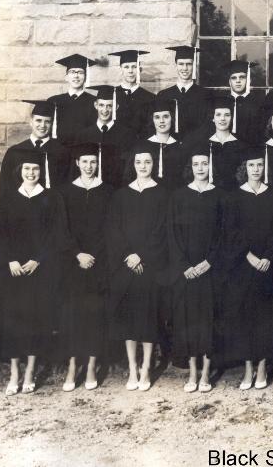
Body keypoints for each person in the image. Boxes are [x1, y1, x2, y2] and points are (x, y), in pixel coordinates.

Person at [0, 149, 68, 395]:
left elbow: (55, 236)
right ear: (19, 172)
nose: (31, 173)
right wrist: (11, 261)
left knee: (37, 319)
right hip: (13, 272)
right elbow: (2, 237)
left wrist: (38, 260)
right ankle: (14, 372)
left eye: (35, 169)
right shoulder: (8, 200)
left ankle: (30, 372)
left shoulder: (51, 198)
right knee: (14, 320)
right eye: (27, 169)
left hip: (40, 272)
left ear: (41, 171)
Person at [220, 147, 273, 389]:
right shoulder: (234, 197)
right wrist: (249, 256)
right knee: (245, 318)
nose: (256, 170)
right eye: (251, 166)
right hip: (243, 267)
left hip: (268, 266)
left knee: (265, 319)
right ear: (244, 169)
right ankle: (248, 369)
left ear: (264, 168)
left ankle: (262, 369)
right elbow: (231, 233)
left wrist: (268, 256)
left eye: (260, 165)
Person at [106, 141, 169, 392]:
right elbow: (114, 230)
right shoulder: (121, 195)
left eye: (148, 162)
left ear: (154, 164)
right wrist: (129, 255)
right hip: (126, 267)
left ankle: (146, 369)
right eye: (139, 162)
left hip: (150, 267)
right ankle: (132, 367)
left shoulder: (163, 194)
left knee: (148, 319)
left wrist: (142, 255)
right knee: (129, 321)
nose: (143, 166)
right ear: (133, 165)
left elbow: (162, 231)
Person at [167, 143, 225, 393]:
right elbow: (173, 234)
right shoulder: (179, 196)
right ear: (190, 168)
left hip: (210, 270)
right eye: (196, 164)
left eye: (205, 164)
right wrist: (184, 265)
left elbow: (224, 234)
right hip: (188, 272)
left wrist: (209, 261)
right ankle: (192, 372)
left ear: (210, 166)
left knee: (209, 321)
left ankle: (206, 375)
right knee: (189, 322)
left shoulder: (219, 195)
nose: (201, 168)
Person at [58, 143, 114, 392]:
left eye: (93, 162)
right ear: (77, 163)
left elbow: (111, 229)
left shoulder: (108, 192)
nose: (89, 166)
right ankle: (73, 365)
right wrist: (78, 254)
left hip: (100, 265)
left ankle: (91, 365)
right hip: (74, 265)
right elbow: (62, 229)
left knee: (95, 316)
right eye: (85, 162)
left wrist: (95, 255)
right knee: (73, 315)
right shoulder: (65, 193)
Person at [0, 100, 70, 197]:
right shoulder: (15, 152)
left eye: (47, 121)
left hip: (52, 208)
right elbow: (5, 186)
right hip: (22, 208)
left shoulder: (62, 152)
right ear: (31, 122)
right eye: (38, 120)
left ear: (52, 124)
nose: (42, 125)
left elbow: (67, 186)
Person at [72, 85, 138, 188]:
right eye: (101, 105)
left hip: (117, 188)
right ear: (96, 105)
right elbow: (76, 167)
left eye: (109, 106)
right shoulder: (83, 135)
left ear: (116, 107)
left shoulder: (127, 135)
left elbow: (130, 168)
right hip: (89, 188)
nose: (105, 110)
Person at [193, 96, 250, 191]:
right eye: (218, 115)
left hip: (236, 196)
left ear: (232, 118)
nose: (222, 119)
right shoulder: (202, 146)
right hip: (210, 196)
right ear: (213, 118)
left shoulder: (242, 146)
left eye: (227, 115)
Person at [157, 45, 212, 141]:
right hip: (171, 148)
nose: (185, 68)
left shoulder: (205, 95)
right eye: (181, 64)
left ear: (194, 66)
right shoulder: (163, 95)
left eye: (189, 64)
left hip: (196, 147)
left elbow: (207, 126)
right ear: (176, 65)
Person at [47, 53, 98, 145]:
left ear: (85, 77)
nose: (76, 76)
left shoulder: (95, 102)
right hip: (59, 151)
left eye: (80, 72)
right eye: (72, 72)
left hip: (85, 153)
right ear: (66, 77)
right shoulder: (53, 101)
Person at [108, 49, 155, 137]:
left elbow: (152, 128)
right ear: (120, 69)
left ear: (140, 69)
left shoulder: (150, 98)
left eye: (134, 67)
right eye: (126, 67)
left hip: (141, 146)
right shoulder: (111, 95)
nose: (130, 71)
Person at [145, 98, 186, 190]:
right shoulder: (143, 147)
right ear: (152, 120)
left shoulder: (180, 147)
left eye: (166, 116)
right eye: (157, 117)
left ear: (172, 118)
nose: (162, 121)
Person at [222, 59, 265, 145]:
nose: (238, 81)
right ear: (229, 82)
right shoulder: (223, 103)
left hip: (252, 151)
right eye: (234, 78)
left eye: (242, 77)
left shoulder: (259, 104)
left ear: (249, 80)